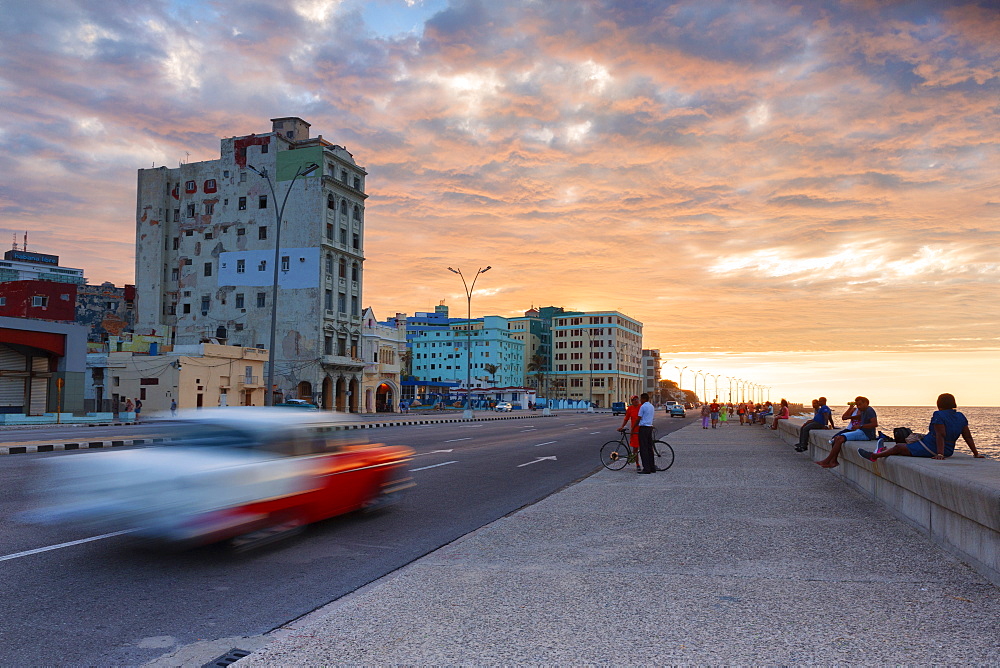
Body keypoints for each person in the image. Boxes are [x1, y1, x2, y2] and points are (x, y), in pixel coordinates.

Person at [859, 393, 984, 462]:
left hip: (932, 448)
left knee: (898, 447)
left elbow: (941, 435)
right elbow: (967, 435)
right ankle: (883, 451)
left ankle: (874, 456)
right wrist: (975, 453)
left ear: (939, 404)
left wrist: (940, 453)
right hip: (948, 450)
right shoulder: (960, 416)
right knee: (907, 440)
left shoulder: (938, 414)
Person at [817, 396, 877, 468]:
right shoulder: (864, 411)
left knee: (839, 439)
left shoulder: (869, 410)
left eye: (860, 404)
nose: (858, 407)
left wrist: (860, 426)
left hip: (866, 434)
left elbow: (874, 424)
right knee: (836, 438)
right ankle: (833, 461)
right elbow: (846, 417)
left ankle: (828, 460)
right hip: (861, 431)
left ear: (866, 403)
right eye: (857, 405)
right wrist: (851, 408)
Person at [618, 395, 642, 471]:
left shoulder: (642, 407)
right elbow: (626, 419)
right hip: (634, 431)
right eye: (634, 400)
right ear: (631, 401)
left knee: (644, 448)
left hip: (642, 430)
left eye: (637, 399)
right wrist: (622, 426)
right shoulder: (630, 409)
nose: (636, 401)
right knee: (635, 449)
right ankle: (637, 464)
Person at [637, 393, 657, 474]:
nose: (640, 401)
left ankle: (646, 468)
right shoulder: (651, 406)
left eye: (641, 399)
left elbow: (639, 418)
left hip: (643, 428)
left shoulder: (643, 406)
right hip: (650, 428)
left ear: (644, 399)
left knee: (643, 449)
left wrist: (634, 427)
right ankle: (652, 467)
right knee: (649, 448)